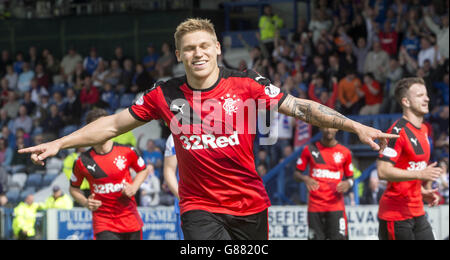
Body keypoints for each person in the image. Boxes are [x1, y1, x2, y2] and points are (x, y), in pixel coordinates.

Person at [19, 18, 397, 240]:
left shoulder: (248, 84)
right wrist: (61, 143)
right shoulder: (163, 94)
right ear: (179, 54)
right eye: (189, 48)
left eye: (204, 45)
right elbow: (112, 124)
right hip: (199, 207)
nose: (197, 53)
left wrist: (355, 126)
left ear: (217, 48)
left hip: (250, 205)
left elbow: (303, 108)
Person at [377, 77, 443, 240]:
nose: (427, 98)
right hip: (396, 215)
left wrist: (421, 192)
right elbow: (383, 171)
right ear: (405, 101)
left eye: (426, 95)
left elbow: (408, 169)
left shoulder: (425, 130)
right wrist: (420, 175)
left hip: (417, 211)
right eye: (420, 95)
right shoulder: (396, 131)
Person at [68, 108, 149, 240]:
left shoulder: (127, 151)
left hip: (130, 219)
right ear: (89, 130)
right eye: (97, 127)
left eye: (105, 125)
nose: (102, 130)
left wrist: (134, 187)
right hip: (103, 222)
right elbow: (73, 188)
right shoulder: (82, 161)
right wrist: (85, 202)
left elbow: (143, 170)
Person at [294, 127, 354, 240]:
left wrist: (348, 183)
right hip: (315, 206)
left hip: (336, 206)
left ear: (336, 129)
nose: (328, 130)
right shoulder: (310, 149)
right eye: (325, 126)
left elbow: (351, 178)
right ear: (320, 127)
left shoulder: (345, 152)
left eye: (331, 126)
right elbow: (296, 173)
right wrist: (305, 178)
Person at [163, 134, 183, 240]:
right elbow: (169, 171)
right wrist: (185, 199)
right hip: (188, 207)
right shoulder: (175, 135)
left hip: (226, 204)